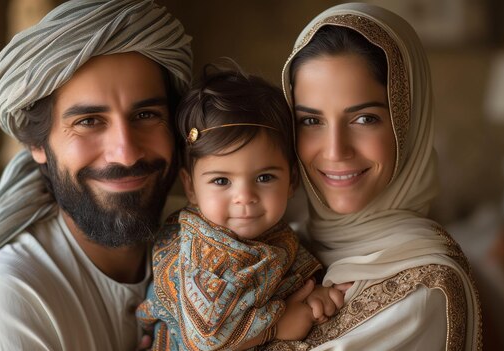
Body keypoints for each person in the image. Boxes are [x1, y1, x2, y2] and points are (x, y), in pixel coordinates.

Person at [0, 1, 192, 350]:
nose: (125, 153)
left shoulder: (210, 245)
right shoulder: (5, 300)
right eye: (88, 121)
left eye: (145, 115)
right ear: (36, 143)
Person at [265, 3, 482, 350]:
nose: (335, 151)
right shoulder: (283, 246)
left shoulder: (424, 289)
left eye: (364, 119)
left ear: (407, 124)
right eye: (311, 120)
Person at [136, 65, 346, 350]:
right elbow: (207, 338)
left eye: (264, 177)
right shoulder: (201, 248)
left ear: (291, 181)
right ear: (190, 188)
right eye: (222, 180)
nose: (245, 197)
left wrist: (316, 294)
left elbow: (295, 277)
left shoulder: (278, 236)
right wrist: (277, 327)